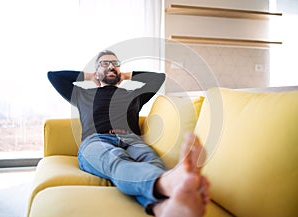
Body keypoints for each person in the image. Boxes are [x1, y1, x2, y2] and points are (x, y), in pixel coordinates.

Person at [48, 50, 210, 216]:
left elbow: (158, 78)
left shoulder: (133, 95)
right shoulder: (83, 95)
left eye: (115, 64)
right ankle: (168, 182)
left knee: (152, 162)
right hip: (96, 141)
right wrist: (91, 76)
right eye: (105, 63)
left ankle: (163, 208)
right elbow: (54, 76)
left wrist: (125, 75)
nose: (111, 67)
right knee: (116, 158)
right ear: (97, 71)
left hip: (132, 141)